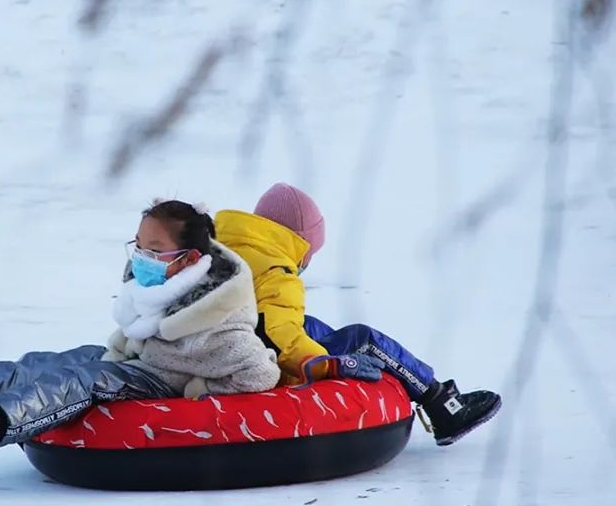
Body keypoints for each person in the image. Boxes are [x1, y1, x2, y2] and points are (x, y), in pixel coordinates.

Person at [0, 199, 281, 472]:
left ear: (187, 260)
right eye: (138, 246)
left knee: (81, 381)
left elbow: (259, 373)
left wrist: (196, 387)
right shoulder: (164, 282)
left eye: (153, 251)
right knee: (34, 365)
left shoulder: (217, 320)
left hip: (162, 380)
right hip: (134, 360)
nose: (141, 258)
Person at [214, 182, 501, 446]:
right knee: (363, 338)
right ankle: (442, 405)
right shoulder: (278, 273)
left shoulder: (227, 253)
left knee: (309, 325)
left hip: (220, 348)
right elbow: (281, 339)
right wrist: (328, 365)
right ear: (299, 244)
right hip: (258, 361)